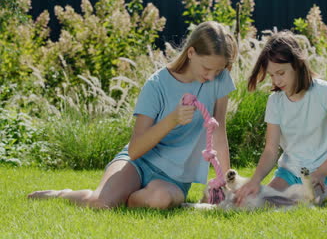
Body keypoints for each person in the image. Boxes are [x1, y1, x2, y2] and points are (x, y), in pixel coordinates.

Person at [28, 21, 238, 209]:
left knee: (159, 200)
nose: (211, 76)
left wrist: (226, 183)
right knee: (100, 203)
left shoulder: (219, 80)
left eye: (217, 71)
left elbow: (218, 133)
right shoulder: (157, 84)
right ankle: (62, 194)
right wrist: (172, 120)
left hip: (173, 178)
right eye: (207, 68)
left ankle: (127, 198)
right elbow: (136, 149)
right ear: (191, 53)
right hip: (137, 163)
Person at [234, 31, 327, 206]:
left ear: (298, 64)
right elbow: (270, 150)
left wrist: (322, 172)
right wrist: (255, 180)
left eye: (281, 73)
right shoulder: (275, 101)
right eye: (271, 75)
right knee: (260, 202)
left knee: (308, 199)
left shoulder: (326, 93)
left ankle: (316, 190)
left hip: (322, 172)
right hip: (288, 172)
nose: (276, 80)